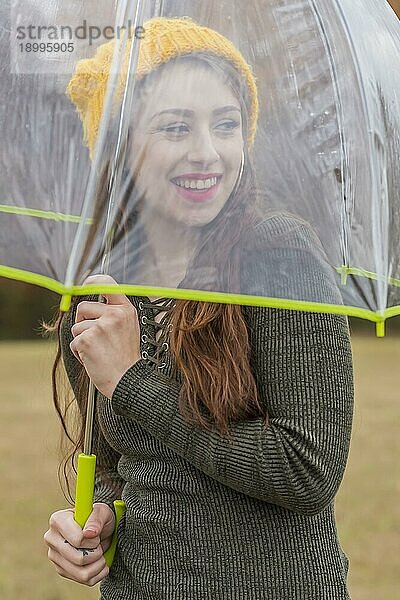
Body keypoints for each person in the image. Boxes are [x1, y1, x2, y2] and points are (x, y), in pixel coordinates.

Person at [43, 17, 354, 600]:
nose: (207, 153)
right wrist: (101, 519)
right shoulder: (101, 294)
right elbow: (126, 469)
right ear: (119, 144)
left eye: (227, 125)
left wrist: (134, 383)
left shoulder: (279, 254)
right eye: (176, 127)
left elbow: (307, 468)